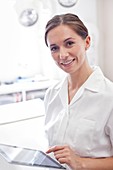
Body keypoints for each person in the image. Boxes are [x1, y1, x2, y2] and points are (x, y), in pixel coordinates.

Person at [43, 13, 113, 170]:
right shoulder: (51, 94)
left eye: (69, 43)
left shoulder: (109, 97)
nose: (62, 55)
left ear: (87, 42)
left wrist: (81, 163)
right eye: (54, 48)